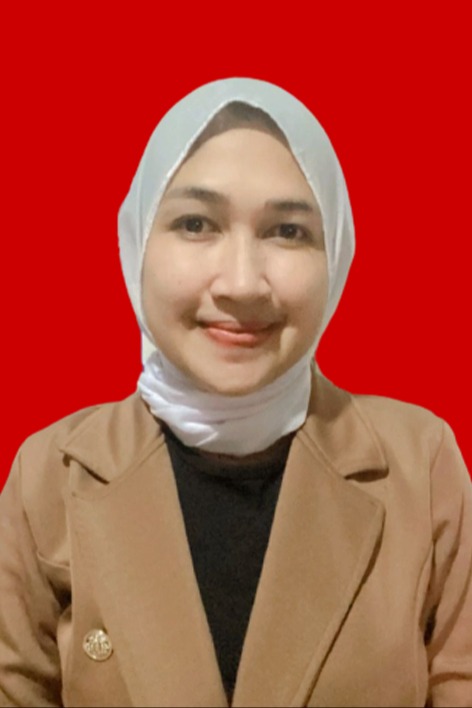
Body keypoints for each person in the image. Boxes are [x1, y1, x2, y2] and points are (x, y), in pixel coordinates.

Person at [0, 78, 471, 708]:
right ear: (138, 241)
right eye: (196, 224)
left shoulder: (423, 465)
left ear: (336, 254)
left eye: (288, 231)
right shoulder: (48, 477)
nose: (243, 283)